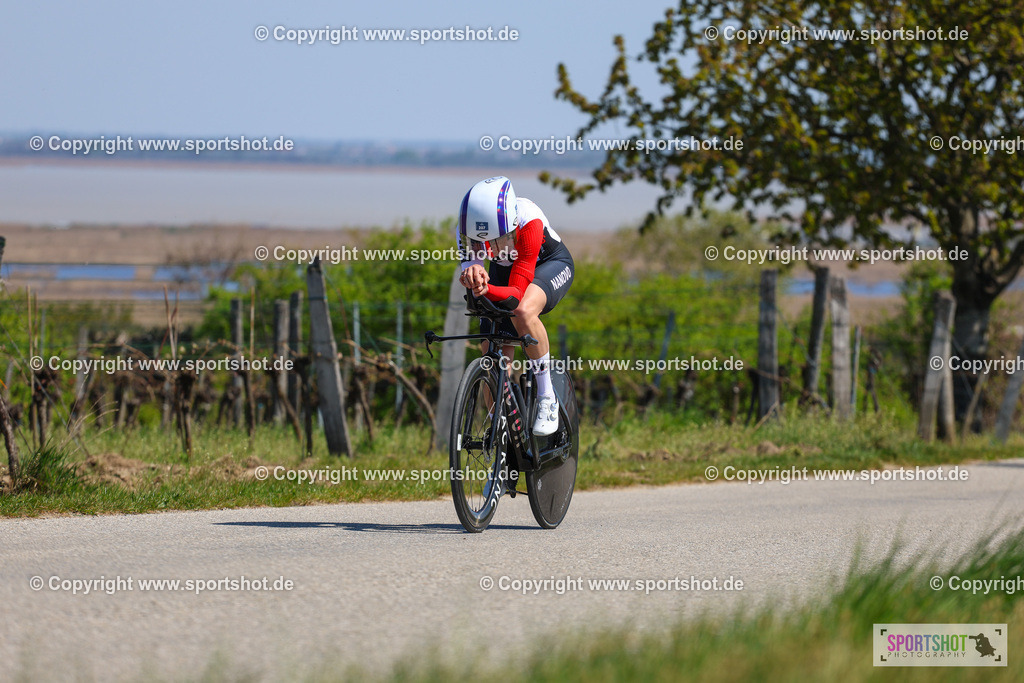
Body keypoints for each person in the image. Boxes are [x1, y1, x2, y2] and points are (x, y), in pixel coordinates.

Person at [456, 176, 574, 436]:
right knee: (491, 352)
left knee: (522, 311)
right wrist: (471, 274)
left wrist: (486, 288)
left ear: (511, 225)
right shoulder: (466, 230)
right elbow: (472, 269)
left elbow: (517, 294)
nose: (492, 249)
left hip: (548, 264)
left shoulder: (529, 222)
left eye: (499, 240)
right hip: (505, 272)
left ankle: (546, 397)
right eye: (484, 242)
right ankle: (500, 435)